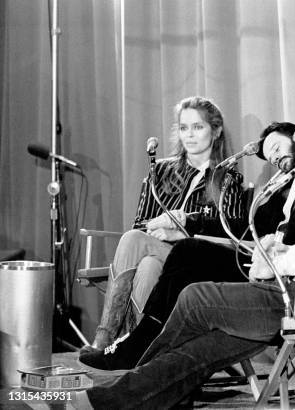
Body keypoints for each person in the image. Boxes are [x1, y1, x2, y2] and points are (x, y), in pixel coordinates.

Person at [73, 87, 295, 409]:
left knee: (196, 298)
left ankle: (131, 386)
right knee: (209, 345)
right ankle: (127, 397)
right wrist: (276, 254)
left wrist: (275, 260)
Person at [79, 121, 295, 370]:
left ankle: (143, 344)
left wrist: (277, 245)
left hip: (282, 276)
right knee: (184, 253)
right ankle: (144, 345)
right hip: (255, 261)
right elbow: (241, 227)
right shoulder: (284, 186)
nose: (276, 158)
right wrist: (190, 226)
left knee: (188, 255)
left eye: (277, 148)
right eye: (271, 156)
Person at [88, 96, 245, 351]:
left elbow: (226, 232)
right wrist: (157, 227)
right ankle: (134, 347)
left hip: (191, 260)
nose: (190, 135)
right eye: (184, 128)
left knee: (132, 240)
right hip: (155, 252)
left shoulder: (228, 179)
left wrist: (181, 227)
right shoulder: (159, 171)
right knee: (147, 262)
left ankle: (107, 338)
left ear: (215, 131)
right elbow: (140, 225)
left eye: (198, 127)